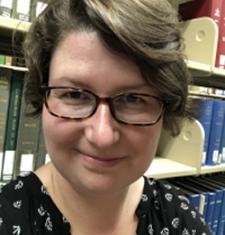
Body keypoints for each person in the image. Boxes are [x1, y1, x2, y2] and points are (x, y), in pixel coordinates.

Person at [0, 0, 211, 234]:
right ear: (42, 96)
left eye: (133, 99)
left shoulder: (182, 220)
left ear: (167, 108)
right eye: (75, 94)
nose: (102, 136)